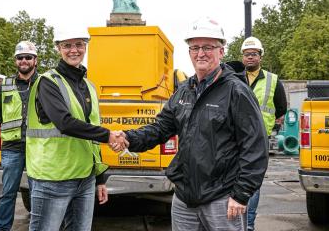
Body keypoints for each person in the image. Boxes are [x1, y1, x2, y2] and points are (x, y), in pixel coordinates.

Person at [113, 17, 269, 231]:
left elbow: (256, 147)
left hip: (222, 198)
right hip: (184, 198)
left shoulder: (237, 91)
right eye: (194, 47)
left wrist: (241, 195)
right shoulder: (185, 90)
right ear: (189, 52)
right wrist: (130, 138)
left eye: (208, 47)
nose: (200, 53)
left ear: (221, 51)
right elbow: (161, 128)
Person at [26, 30, 126, 231]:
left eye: (79, 44)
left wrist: (99, 179)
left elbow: (92, 133)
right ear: (58, 48)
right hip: (52, 179)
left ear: (86, 46)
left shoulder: (89, 86)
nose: (74, 50)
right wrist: (108, 135)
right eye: (67, 45)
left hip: (85, 178)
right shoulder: (48, 82)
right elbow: (64, 122)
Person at [240, 36, 287, 231]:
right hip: (234, 137)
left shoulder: (272, 80)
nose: (250, 57)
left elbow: (281, 108)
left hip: (259, 138)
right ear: (242, 57)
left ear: (260, 56)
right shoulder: (234, 76)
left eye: (254, 54)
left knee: (253, 182)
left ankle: (248, 225)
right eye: (246, 54)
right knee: (232, 180)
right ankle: (235, 223)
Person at [0, 41, 39, 231]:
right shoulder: (5, 85)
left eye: (28, 57)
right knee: (7, 193)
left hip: (38, 146)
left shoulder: (44, 83)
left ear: (35, 60)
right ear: (16, 61)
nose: (24, 61)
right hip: (12, 147)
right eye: (20, 58)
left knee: (39, 193)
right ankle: (2, 229)